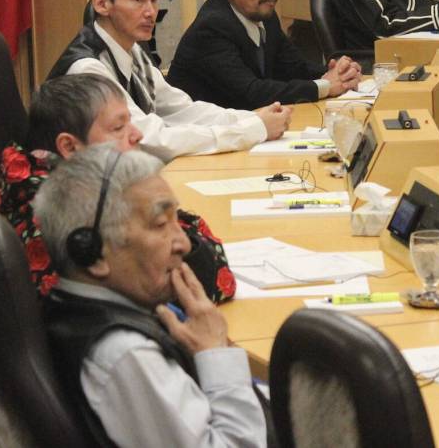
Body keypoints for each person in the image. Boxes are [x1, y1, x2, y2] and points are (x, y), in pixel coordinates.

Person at [0, 74, 236, 386]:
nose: (135, 135)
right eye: (118, 128)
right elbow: (206, 279)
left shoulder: (62, 182)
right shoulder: (67, 217)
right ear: (69, 146)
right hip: (19, 399)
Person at [35, 146, 268, 448]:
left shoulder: (87, 309)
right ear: (92, 253)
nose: (183, 243)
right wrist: (215, 352)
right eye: (160, 225)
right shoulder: (124, 353)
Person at [48, 0, 291, 161]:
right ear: (102, 4)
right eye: (138, 0)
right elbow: (146, 139)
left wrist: (251, 118)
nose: (150, 12)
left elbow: (182, 110)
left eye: (154, 0)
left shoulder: (132, 52)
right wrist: (251, 131)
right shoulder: (88, 68)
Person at [168, 0, 361, 108]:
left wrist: (339, 73)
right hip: (203, 135)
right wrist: (325, 86)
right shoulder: (212, 27)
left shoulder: (264, 14)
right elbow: (251, 93)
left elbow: (294, 68)